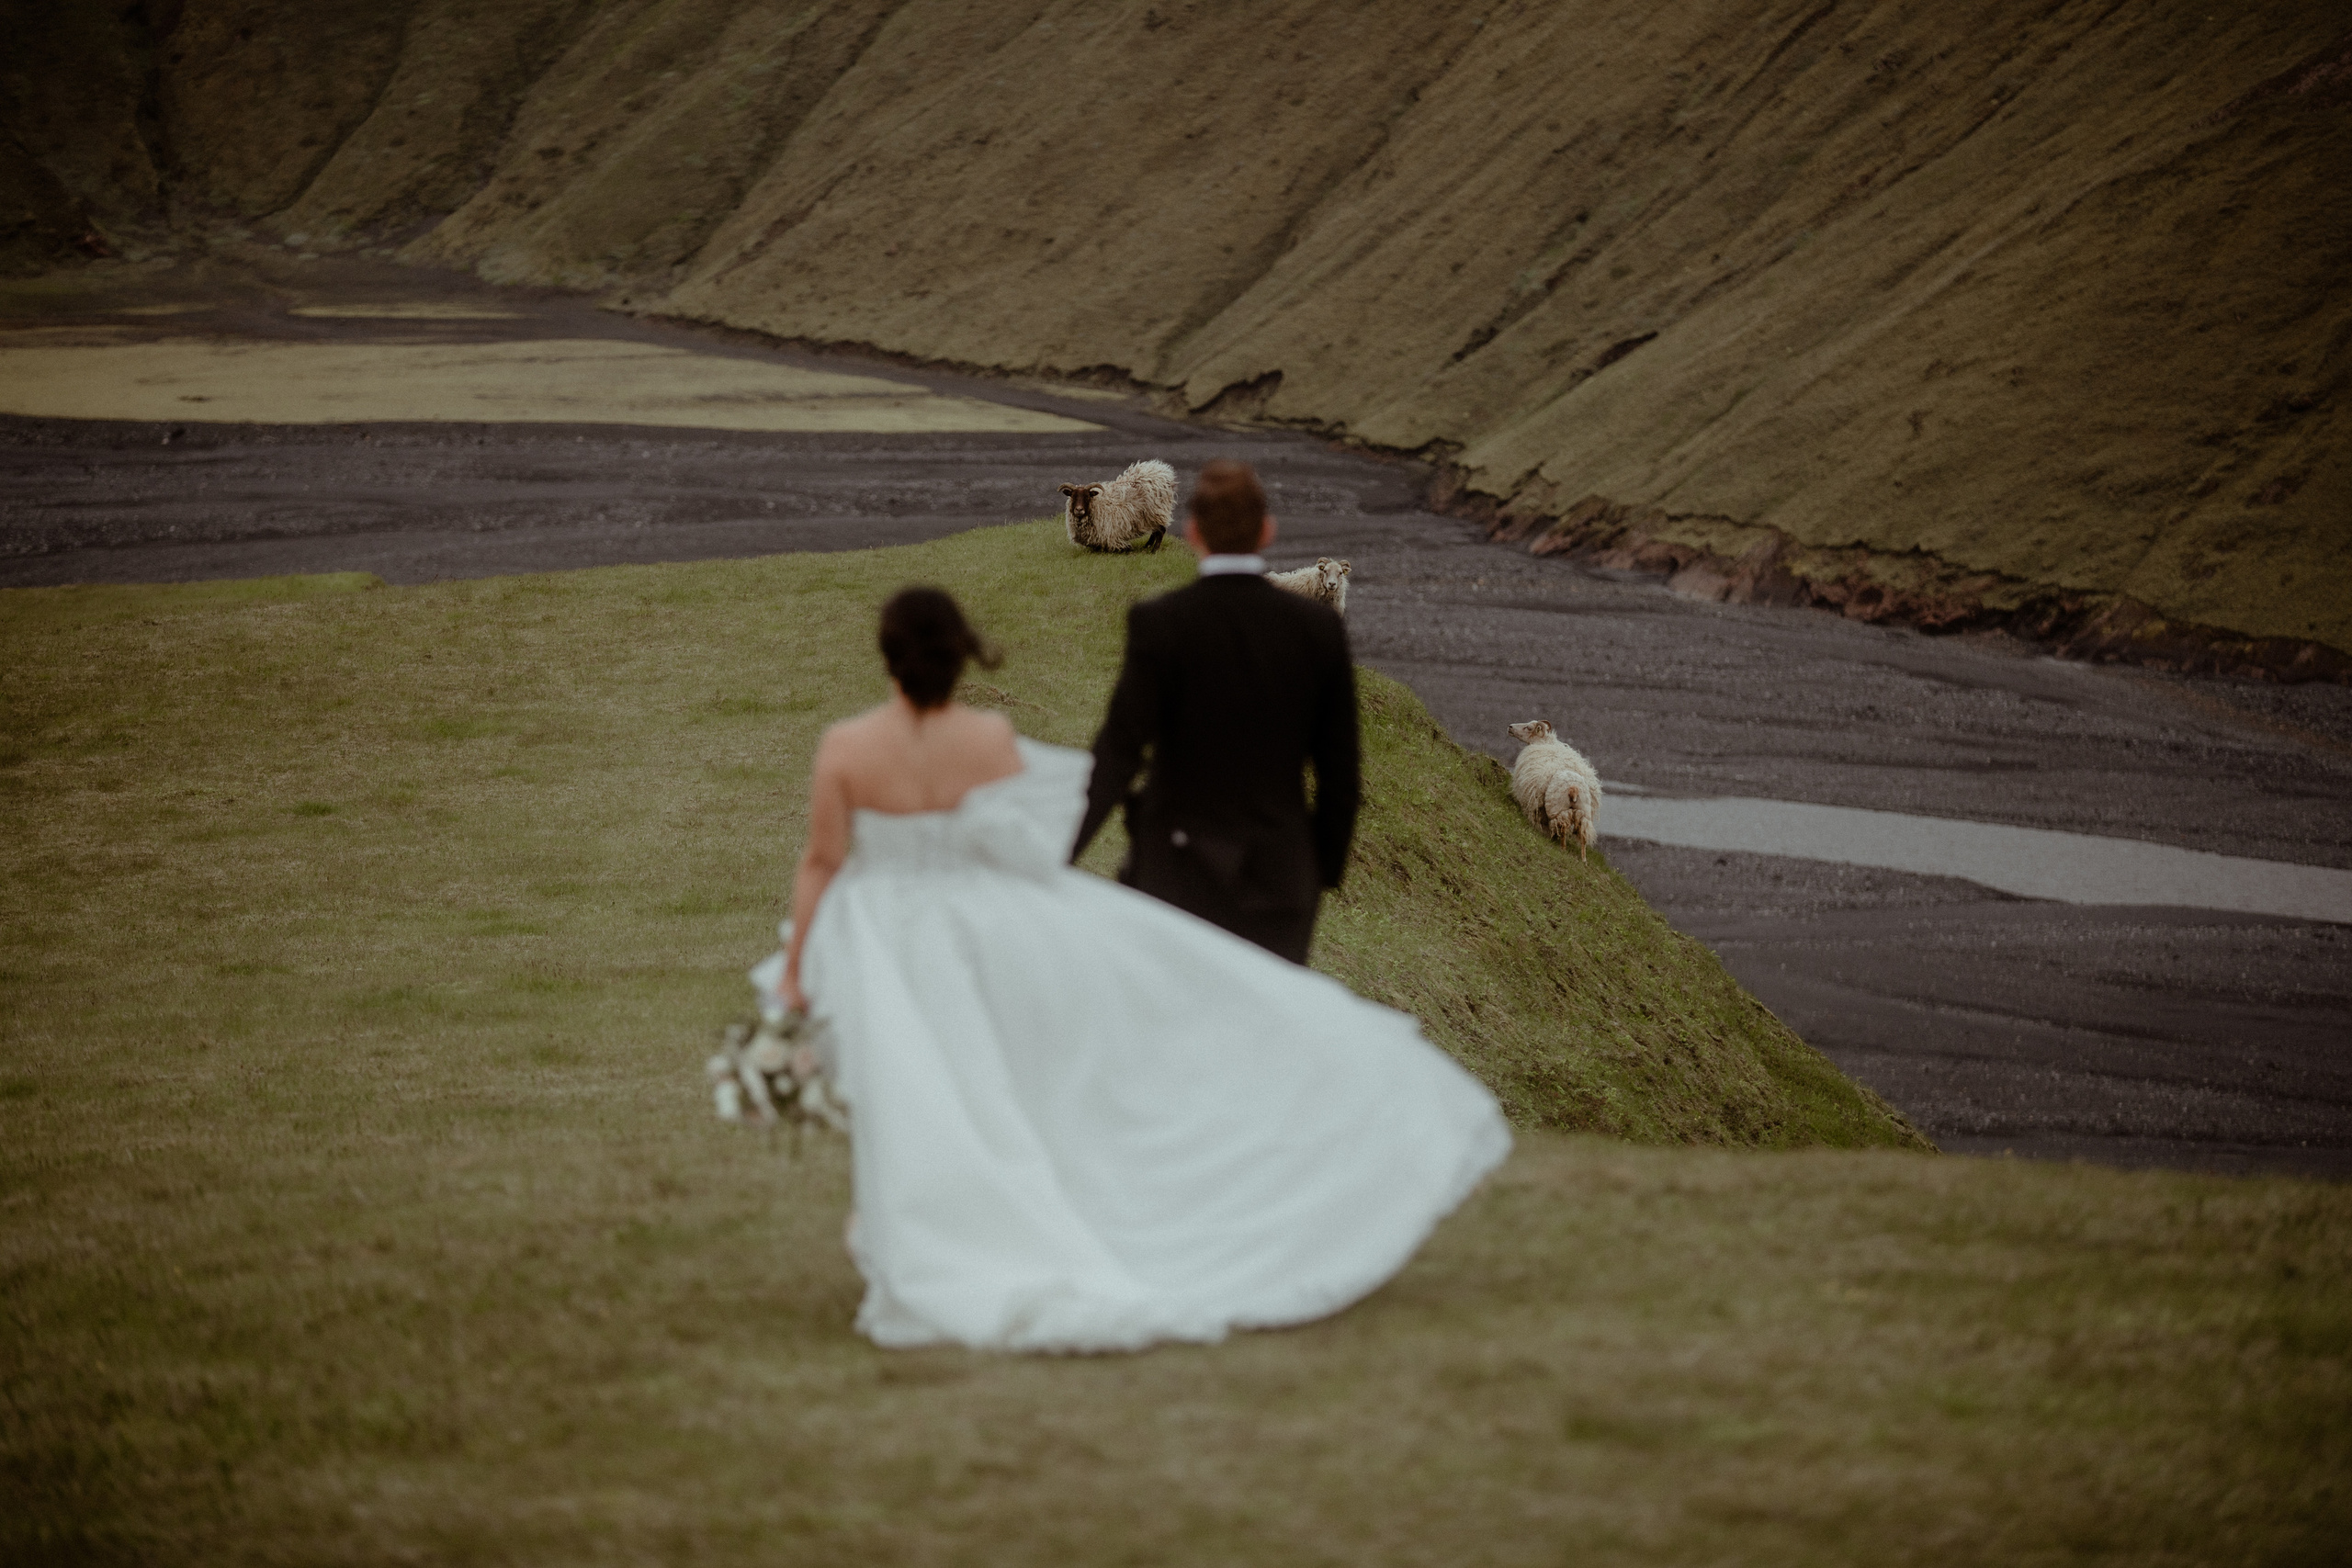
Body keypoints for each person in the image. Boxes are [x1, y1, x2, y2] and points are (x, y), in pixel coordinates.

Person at [782, 586, 1510, 1353]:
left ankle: (908, 1239)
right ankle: (984, 1223)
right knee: (985, 1082)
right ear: (961, 654)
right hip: (979, 936)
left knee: (905, 1083)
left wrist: (800, 963)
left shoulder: (846, 748)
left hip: (887, 939)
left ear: (888, 655)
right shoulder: (990, 738)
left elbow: (823, 861)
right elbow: (1022, 841)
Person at [1072, 459, 1357, 964]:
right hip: (1278, 884)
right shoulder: (1319, 631)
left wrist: (1065, 854)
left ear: (1194, 531)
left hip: (1171, 877)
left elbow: (1116, 757)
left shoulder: (1159, 624)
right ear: (1266, 531)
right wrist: (1318, 872)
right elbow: (1341, 777)